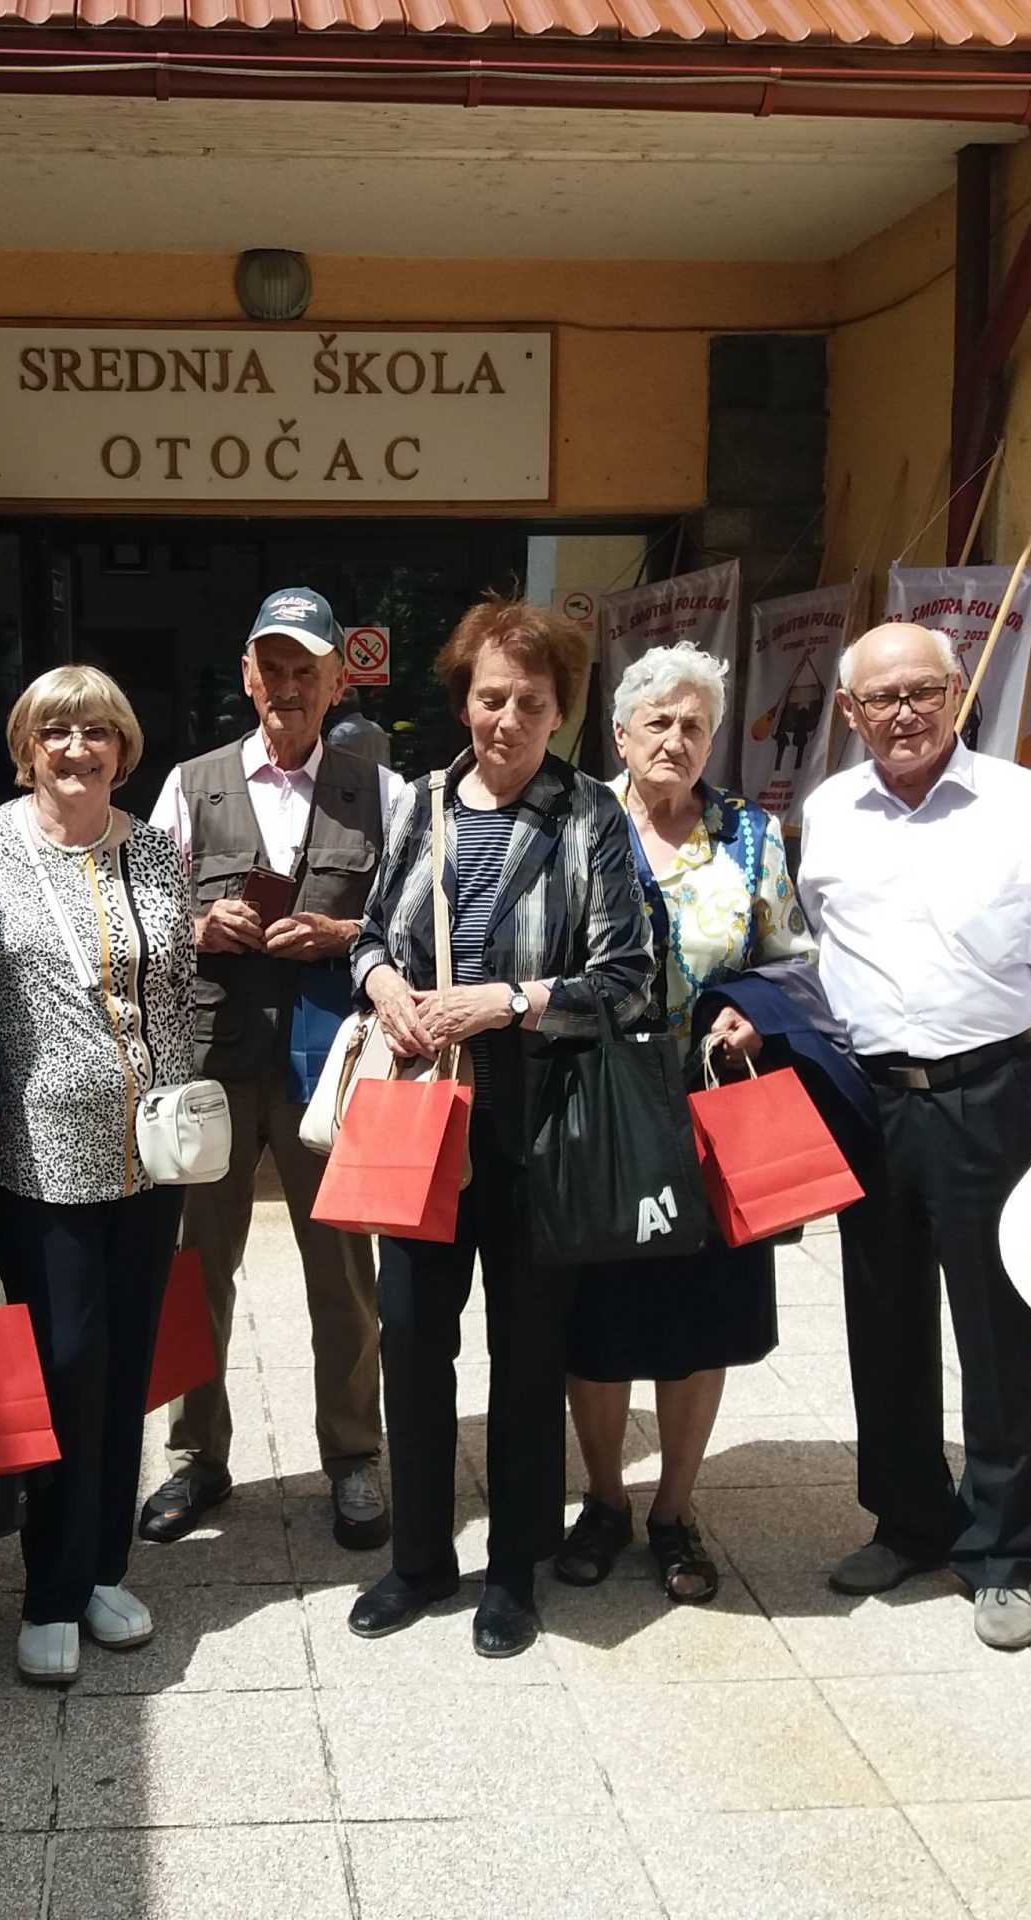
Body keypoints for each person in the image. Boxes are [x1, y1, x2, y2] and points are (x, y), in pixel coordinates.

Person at [798, 620, 1031, 1652]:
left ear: (956, 695)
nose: (903, 714)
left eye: (922, 692)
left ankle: (1000, 1551)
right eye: (880, 698)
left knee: (999, 1325)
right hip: (869, 1097)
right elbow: (813, 948)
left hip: (989, 1092)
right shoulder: (827, 812)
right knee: (883, 1315)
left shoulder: (1024, 806)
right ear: (848, 712)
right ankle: (908, 1520)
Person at [345, 597, 650, 1659]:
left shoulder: (589, 815)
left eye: (529, 702)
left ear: (560, 711)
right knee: (411, 1339)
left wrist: (508, 1001)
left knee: (526, 1350)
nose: (506, 720)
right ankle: (420, 1558)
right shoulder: (420, 805)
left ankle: (514, 1567)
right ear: (462, 701)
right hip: (421, 1105)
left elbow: (627, 978)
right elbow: (368, 936)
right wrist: (383, 983)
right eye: (489, 698)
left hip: (539, 1111)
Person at [0, 666, 196, 1685]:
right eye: (56, 731)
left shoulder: (157, 850)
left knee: (127, 1367)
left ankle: (99, 1570)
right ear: (25, 747)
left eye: (96, 732)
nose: (76, 749)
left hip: (151, 1160)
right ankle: (47, 1588)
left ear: (123, 750)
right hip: (39, 1159)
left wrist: (186, 1118)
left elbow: (175, 994)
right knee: (64, 1365)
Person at [551, 642, 818, 1607]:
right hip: (596, 1099)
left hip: (709, 1102)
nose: (675, 738)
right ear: (620, 734)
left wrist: (756, 1010)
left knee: (700, 1313)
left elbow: (793, 958)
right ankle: (603, 1500)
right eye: (656, 721)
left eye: (694, 725)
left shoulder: (751, 834)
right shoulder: (574, 822)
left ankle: (673, 1509)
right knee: (596, 1309)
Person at [141, 588, 407, 1552]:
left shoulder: (384, 792)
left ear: (337, 684)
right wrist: (195, 924)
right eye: (273, 668)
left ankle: (353, 1455)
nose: (289, 686)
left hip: (328, 1064)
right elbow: (141, 916)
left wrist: (344, 934)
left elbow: (416, 922)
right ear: (248, 677)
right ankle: (195, 1457)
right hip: (212, 1062)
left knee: (343, 1273)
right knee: (195, 1269)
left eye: (308, 670)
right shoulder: (191, 784)